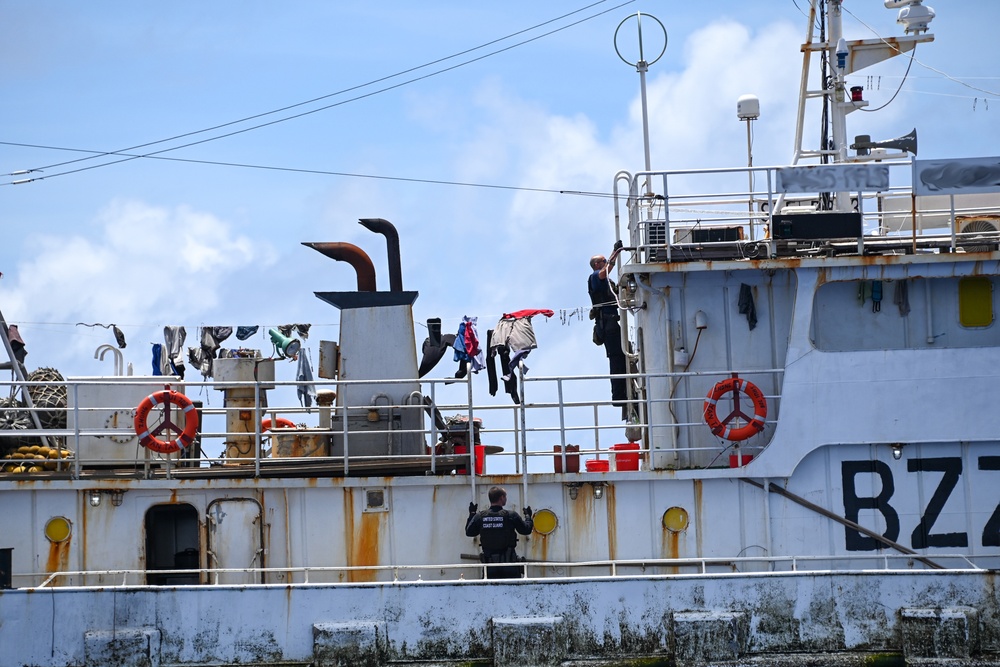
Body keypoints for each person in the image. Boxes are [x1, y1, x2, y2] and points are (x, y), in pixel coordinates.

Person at [588, 245, 628, 407]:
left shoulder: (601, 276)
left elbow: (608, 267)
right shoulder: (595, 277)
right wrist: (614, 253)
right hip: (607, 324)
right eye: (603, 261)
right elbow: (606, 271)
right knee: (617, 358)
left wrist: (615, 254)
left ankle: (623, 392)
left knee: (622, 355)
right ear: (597, 264)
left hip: (611, 323)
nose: (606, 264)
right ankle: (618, 397)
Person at [465, 486, 533, 579]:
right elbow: (526, 530)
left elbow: (469, 532)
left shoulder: (480, 516)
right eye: (505, 496)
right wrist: (528, 516)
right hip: (510, 567)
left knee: (490, 592)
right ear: (501, 498)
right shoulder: (511, 515)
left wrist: (472, 514)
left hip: (490, 568)